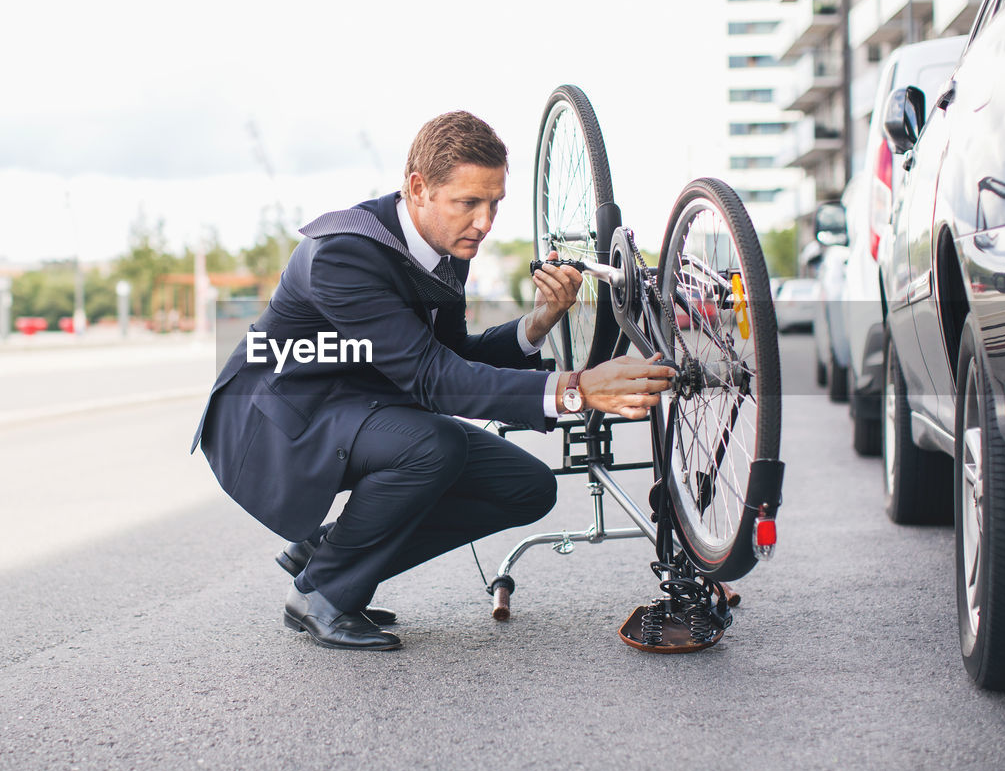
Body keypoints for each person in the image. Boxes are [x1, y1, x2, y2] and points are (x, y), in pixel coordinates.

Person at [192, 111, 675, 650]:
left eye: (495, 203)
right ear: (418, 189)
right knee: (434, 444)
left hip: (354, 408)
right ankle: (323, 593)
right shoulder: (343, 255)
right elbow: (433, 378)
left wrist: (539, 322)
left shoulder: (445, 251)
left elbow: (448, 356)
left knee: (526, 488)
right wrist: (576, 389)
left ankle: (328, 557)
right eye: (468, 203)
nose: (485, 222)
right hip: (274, 425)